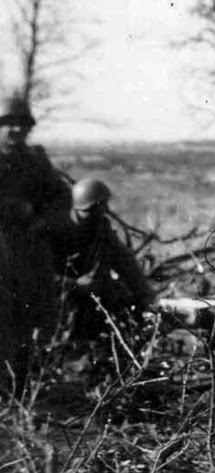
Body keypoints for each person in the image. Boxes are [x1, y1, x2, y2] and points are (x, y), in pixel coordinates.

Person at [0, 93, 72, 396]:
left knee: (34, 316)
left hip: (31, 250)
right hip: (2, 249)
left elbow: (61, 196)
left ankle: (25, 387)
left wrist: (43, 222)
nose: (15, 130)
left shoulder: (35, 160)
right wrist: (13, 207)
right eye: (8, 124)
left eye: (21, 124)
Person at [52, 178, 154, 345]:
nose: (102, 212)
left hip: (93, 298)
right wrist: (73, 285)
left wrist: (146, 295)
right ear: (80, 210)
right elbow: (41, 277)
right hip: (61, 301)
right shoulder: (58, 233)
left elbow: (125, 262)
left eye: (103, 206)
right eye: (95, 208)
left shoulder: (101, 229)